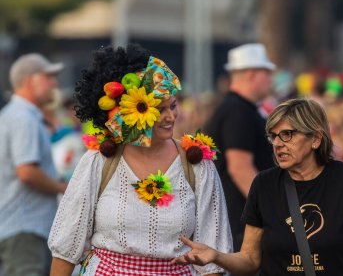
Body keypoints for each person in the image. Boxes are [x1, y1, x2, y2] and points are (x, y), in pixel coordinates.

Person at [48, 44, 232, 275]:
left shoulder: (197, 164)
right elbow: (67, 246)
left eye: (173, 106)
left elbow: (212, 253)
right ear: (132, 113)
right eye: (159, 109)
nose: (171, 116)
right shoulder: (99, 161)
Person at [173, 98, 343, 275]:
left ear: (316, 139)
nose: (278, 143)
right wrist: (216, 256)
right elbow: (250, 260)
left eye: (287, 134)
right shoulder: (265, 184)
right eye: (273, 136)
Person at [0, 53, 67, 276]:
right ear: (31, 80)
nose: (55, 83)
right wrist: (62, 188)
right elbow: (27, 172)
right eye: (49, 77)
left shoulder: (19, 115)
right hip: (25, 227)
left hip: (23, 228)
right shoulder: (23, 118)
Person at [204, 43, 276, 251]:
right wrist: (271, 210)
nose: (270, 79)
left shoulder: (239, 108)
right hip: (240, 221)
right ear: (252, 74)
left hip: (238, 217)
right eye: (266, 73)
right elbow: (240, 167)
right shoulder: (238, 111)